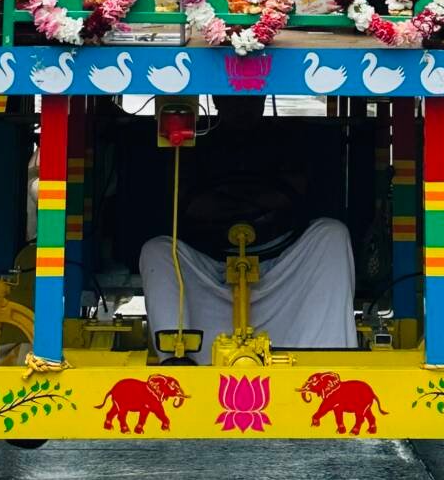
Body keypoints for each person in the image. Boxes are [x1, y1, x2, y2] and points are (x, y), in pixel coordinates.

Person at [139, 98, 356, 360]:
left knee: (331, 234)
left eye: (251, 99)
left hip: (280, 264)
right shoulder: (194, 139)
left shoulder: (285, 138)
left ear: (263, 98)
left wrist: (229, 201)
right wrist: (252, 201)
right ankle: (178, 361)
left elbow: (291, 192)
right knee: (157, 251)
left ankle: (327, 362)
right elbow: (190, 202)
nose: (242, 106)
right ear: (218, 98)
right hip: (208, 267)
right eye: (234, 100)